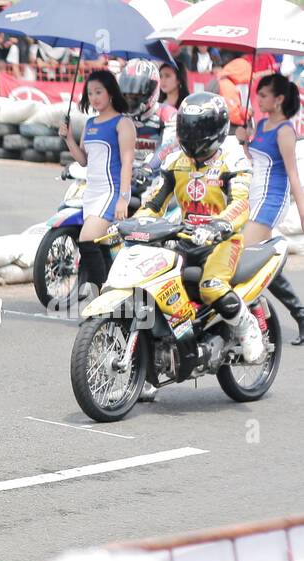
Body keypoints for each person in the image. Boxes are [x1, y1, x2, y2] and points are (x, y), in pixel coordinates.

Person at [137, 92, 265, 363]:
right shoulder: (175, 162)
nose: (193, 136)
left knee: (211, 287)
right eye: (188, 127)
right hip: (184, 238)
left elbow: (241, 205)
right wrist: (135, 222)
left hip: (222, 241)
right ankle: (154, 358)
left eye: (199, 129)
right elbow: (156, 201)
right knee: (152, 286)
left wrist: (220, 224)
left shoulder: (234, 162)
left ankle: (247, 326)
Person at [59, 70, 136, 301]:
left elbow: (127, 161)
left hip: (111, 192)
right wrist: (68, 138)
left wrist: (123, 197)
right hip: (90, 193)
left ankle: (101, 299)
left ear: (111, 93)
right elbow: (83, 160)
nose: (94, 97)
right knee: (100, 248)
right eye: (90, 93)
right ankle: (109, 298)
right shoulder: (90, 123)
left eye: (99, 92)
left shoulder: (123, 123)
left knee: (87, 239)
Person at [245, 74, 304, 345]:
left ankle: (255, 320)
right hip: (253, 197)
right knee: (262, 265)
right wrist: (244, 140)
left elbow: (293, 176)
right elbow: (257, 160)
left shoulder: (285, 131)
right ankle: (301, 315)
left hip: (272, 200)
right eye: (258, 95)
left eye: (264, 95)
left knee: (244, 259)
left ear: (279, 99)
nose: (258, 99)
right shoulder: (260, 124)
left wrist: (303, 213)